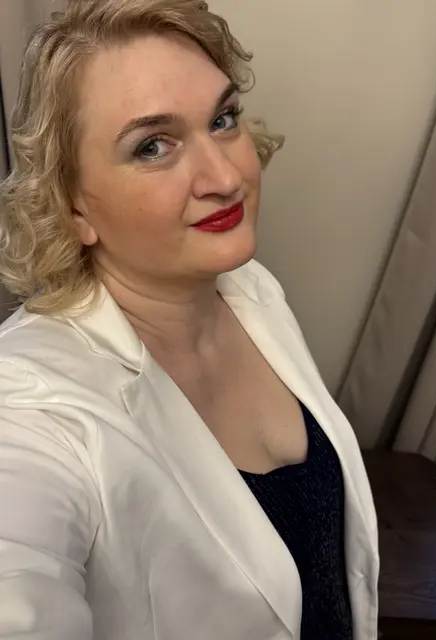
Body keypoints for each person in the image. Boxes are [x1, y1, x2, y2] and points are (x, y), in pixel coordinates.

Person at [0, 1, 379, 638]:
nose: (226, 177)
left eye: (222, 119)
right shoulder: (31, 407)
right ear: (71, 208)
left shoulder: (249, 289)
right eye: (152, 146)